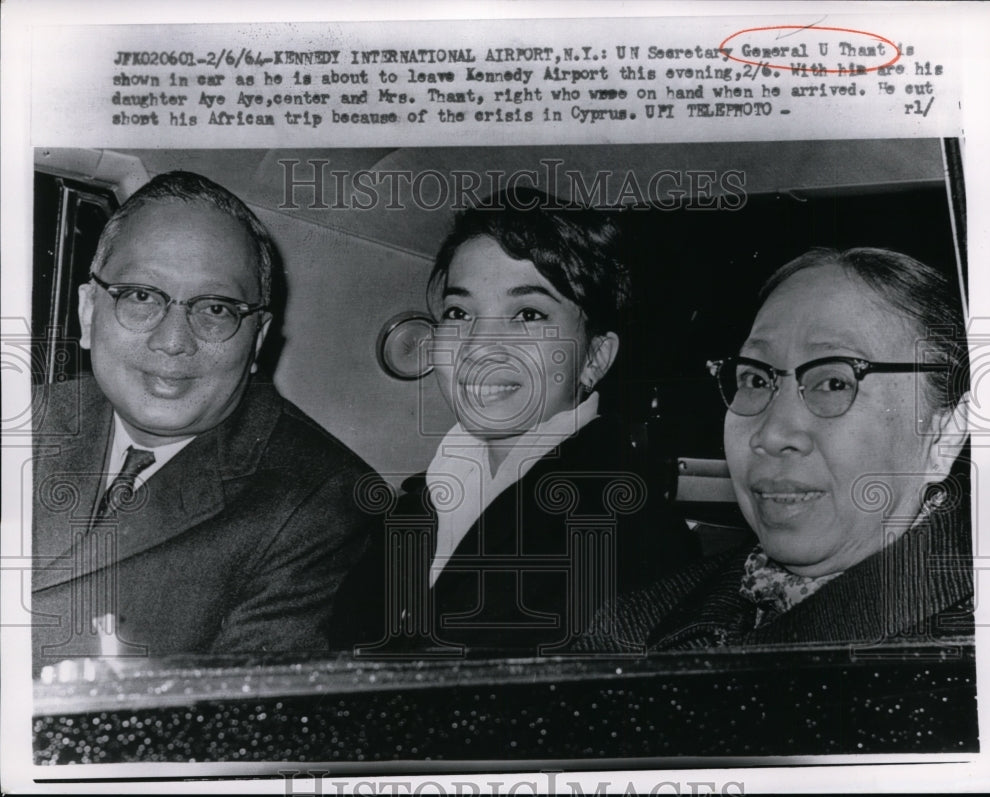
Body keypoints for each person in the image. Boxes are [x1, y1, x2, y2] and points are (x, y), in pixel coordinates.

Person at [32, 171, 378, 674]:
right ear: (88, 313)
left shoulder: (321, 504)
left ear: (257, 339)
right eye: (141, 296)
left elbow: (247, 730)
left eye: (215, 308)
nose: (173, 340)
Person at [331, 189, 698, 657]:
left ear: (595, 357)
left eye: (527, 314)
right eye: (459, 313)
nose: (480, 346)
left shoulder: (630, 534)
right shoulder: (419, 503)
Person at [579, 247, 973, 652]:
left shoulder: (970, 650)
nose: (770, 434)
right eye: (755, 379)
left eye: (834, 382)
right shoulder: (629, 629)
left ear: (944, 434)